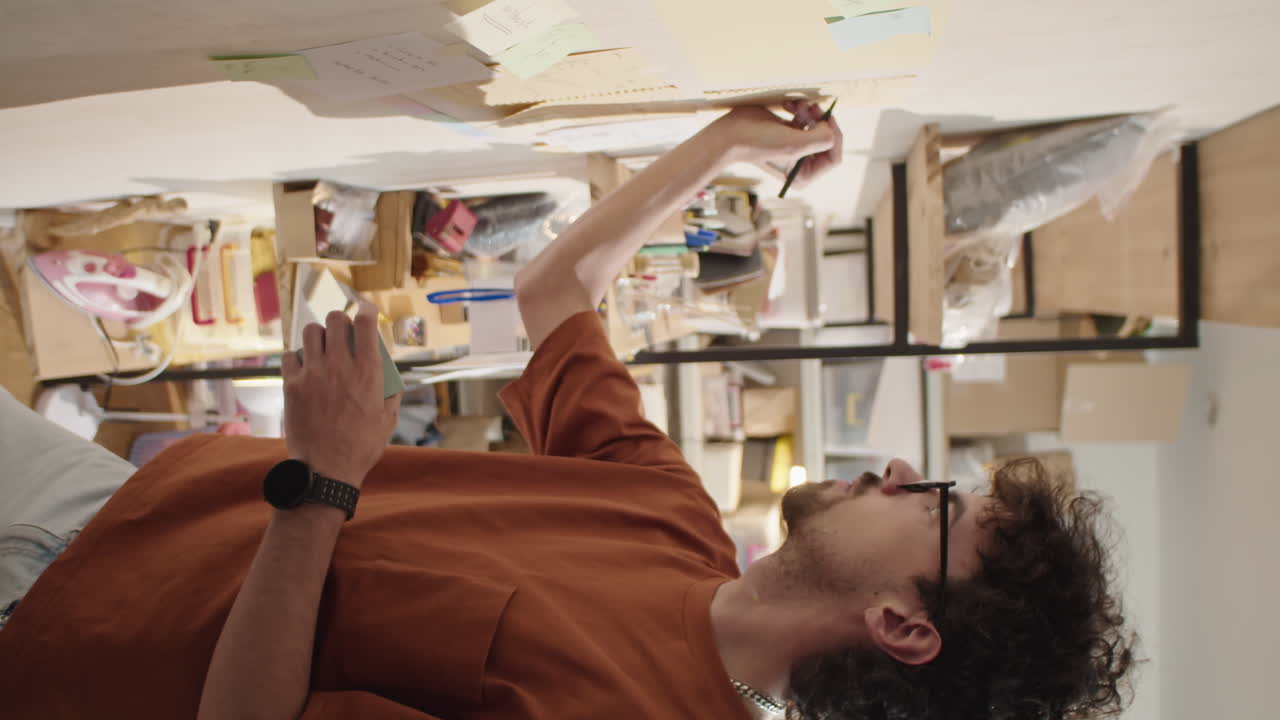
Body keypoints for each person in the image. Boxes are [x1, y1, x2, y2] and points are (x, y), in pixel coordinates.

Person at [0, 101, 1135, 720]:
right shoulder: (675, 523)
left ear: (902, 624)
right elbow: (540, 304)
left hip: (50, 650)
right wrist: (720, 146)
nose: (895, 469)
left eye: (930, 501)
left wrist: (324, 483)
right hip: (122, 504)